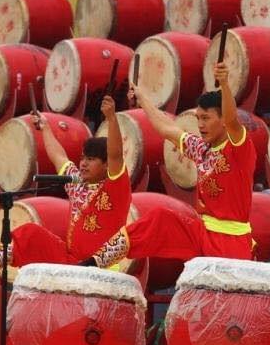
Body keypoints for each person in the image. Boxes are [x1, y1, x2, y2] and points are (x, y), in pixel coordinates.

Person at [85, 62, 256, 268]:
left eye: (206, 118)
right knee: (160, 219)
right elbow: (167, 128)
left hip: (232, 241)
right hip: (202, 233)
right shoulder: (201, 149)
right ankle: (96, 261)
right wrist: (142, 98)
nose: (200, 125)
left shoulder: (239, 148)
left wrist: (226, 85)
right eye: (198, 118)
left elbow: (232, 121)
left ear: (221, 121)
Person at [0, 95, 130, 277]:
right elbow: (59, 157)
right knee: (30, 233)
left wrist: (111, 118)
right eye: (82, 158)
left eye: (90, 159)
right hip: (72, 263)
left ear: (106, 165)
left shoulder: (115, 187)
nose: (83, 164)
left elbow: (116, 155)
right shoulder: (77, 184)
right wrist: (45, 128)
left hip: (102, 270)